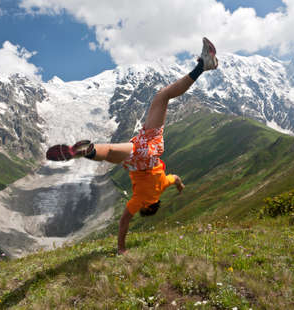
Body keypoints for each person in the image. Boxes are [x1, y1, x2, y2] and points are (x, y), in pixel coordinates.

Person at [46, 37, 218, 254]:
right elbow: (124, 223)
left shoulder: (163, 185)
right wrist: (121, 248)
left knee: (163, 96)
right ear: (147, 207)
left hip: (152, 148)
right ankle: (88, 152)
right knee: (108, 150)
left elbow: (176, 179)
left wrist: (181, 187)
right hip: (140, 158)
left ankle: (202, 66)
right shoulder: (139, 200)